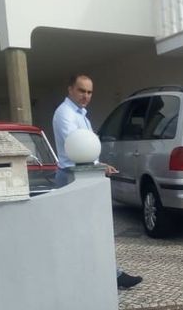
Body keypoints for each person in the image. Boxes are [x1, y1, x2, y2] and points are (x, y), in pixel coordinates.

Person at [52, 74, 143, 290]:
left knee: (89, 232)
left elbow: (85, 149)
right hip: (71, 176)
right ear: (70, 90)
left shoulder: (80, 114)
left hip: (81, 174)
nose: (85, 96)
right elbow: (75, 147)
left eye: (89, 92)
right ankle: (105, 276)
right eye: (81, 90)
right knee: (81, 232)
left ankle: (107, 274)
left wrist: (99, 164)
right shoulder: (64, 114)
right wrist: (97, 164)